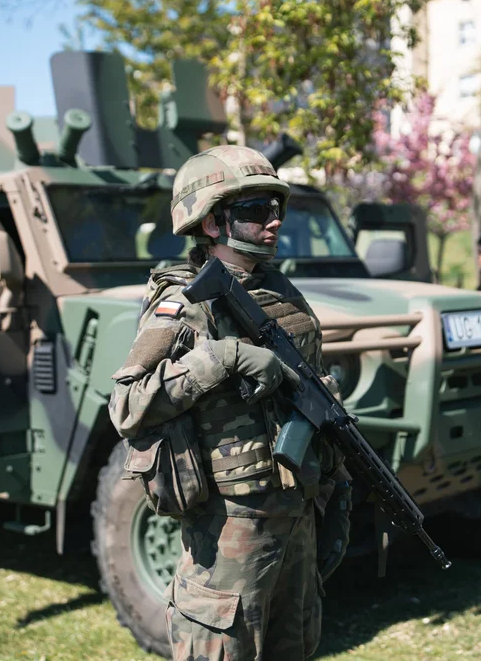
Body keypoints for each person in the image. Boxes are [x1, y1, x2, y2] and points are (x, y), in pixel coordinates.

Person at [108, 145, 351, 660]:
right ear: (212, 222)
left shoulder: (282, 294)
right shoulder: (184, 305)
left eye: (276, 208)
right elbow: (127, 405)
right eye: (255, 210)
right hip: (229, 528)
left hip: (296, 515)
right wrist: (221, 358)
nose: (273, 220)